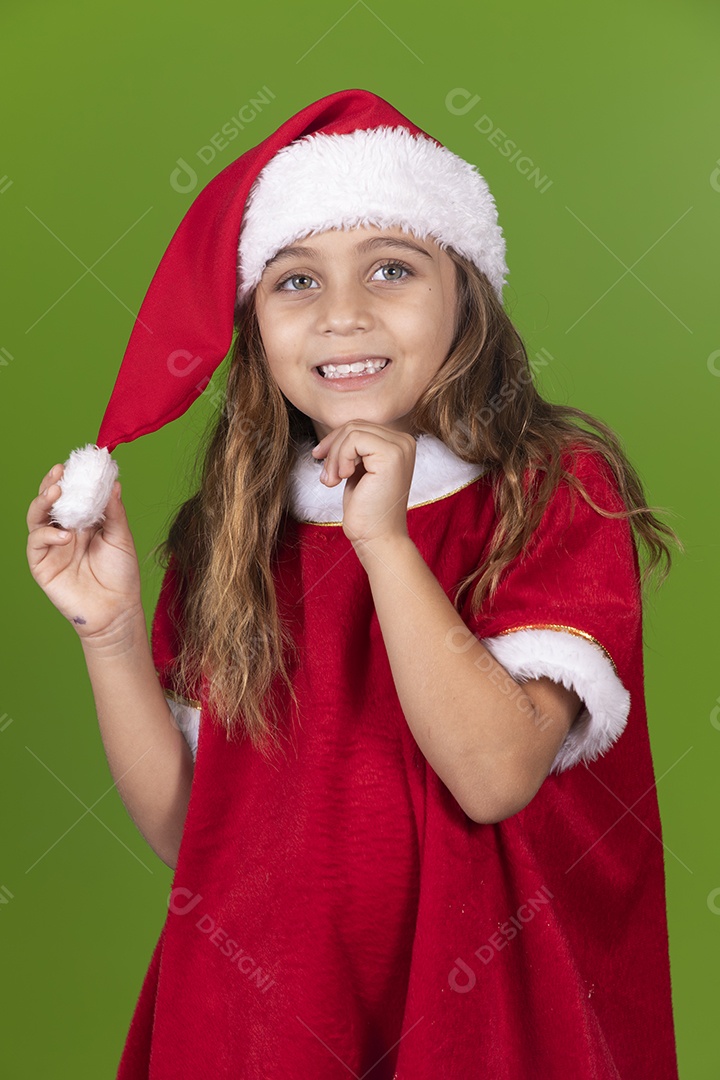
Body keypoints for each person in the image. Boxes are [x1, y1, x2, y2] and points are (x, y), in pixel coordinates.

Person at [26, 89, 682, 1078]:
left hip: (484, 1022)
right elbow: (193, 835)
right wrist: (111, 632)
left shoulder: (553, 493)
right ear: (253, 319)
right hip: (260, 1021)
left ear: (465, 290)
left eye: (391, 268)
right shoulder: (234, 527)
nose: (344, 315)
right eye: (296, 282)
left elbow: (495, 774)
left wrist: (384, 542)